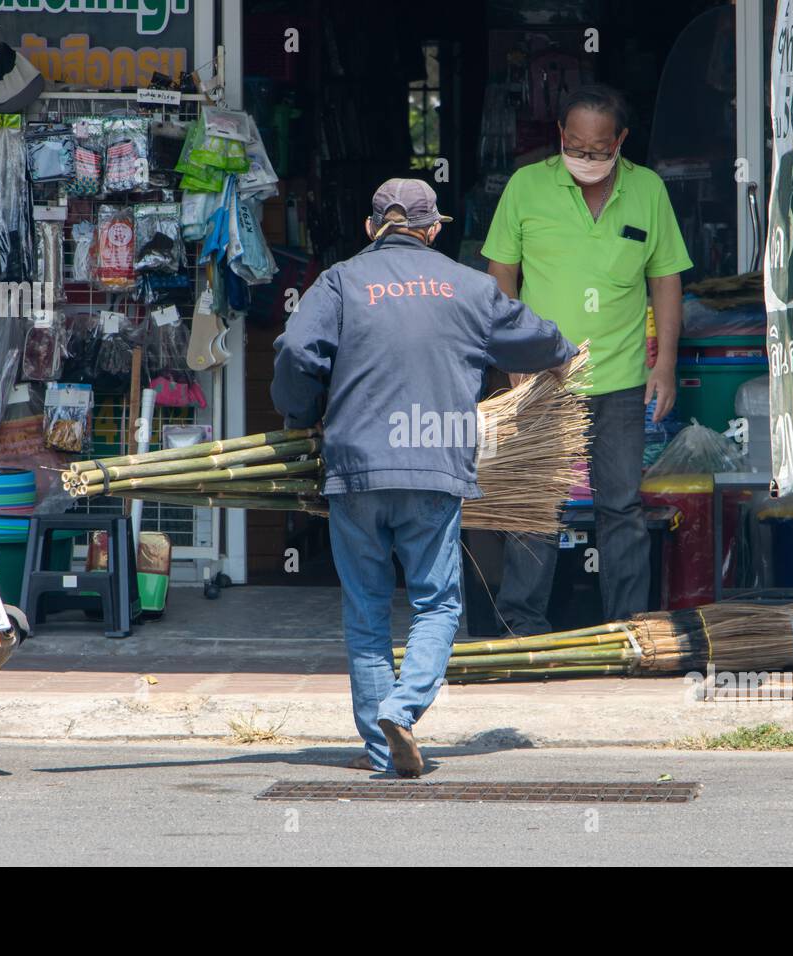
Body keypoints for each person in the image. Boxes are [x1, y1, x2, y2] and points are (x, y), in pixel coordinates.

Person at [271, 179, 577, 777]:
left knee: (365, 610)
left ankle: (384, 749)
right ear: (435, 230)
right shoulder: (469, 286)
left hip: (355, 468)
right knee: (437, 605)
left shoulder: (340, 282)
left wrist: (299, 416)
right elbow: (538, 341)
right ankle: (403, 709)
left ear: (370, 229)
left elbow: (295, 355)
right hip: (433, 464)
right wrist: (563, 349)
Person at [482, 84, 692, 634]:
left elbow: (666, 281)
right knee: (537, 503)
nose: (585, 157)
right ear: (560, 136)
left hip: (621, 378)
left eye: (598, 149)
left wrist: (664, 364)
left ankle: (629, 628)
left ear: (621, 140)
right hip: (540, 377)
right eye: (575, 145)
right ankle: (521, 626)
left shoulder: (647, 190)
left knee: (620, 505)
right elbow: (500, 275)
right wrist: (513, 353)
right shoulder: (527, 187)